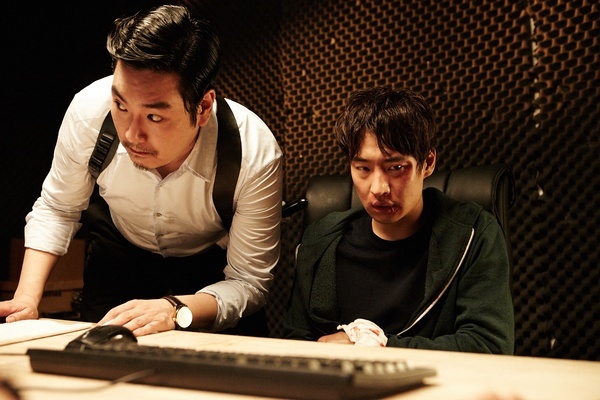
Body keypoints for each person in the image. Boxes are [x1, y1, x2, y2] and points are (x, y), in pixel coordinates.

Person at [0, 5, 283, 337]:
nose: (132, 134)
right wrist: (26, 298)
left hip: (211, 269)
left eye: (154, 116)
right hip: (118, 256)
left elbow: (249, 281)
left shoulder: (254, 153)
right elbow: (59, 208)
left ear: (203, 107)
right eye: (121, 106)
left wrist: (175, 308)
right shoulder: (89, 112)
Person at [283, 86, 514, 354]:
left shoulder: (474, 233)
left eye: (396, 168)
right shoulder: (320, 240)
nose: (379, 188)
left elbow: (489, 346)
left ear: (428, 163)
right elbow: (294, 343)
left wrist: (371, 346)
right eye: (363, 168)